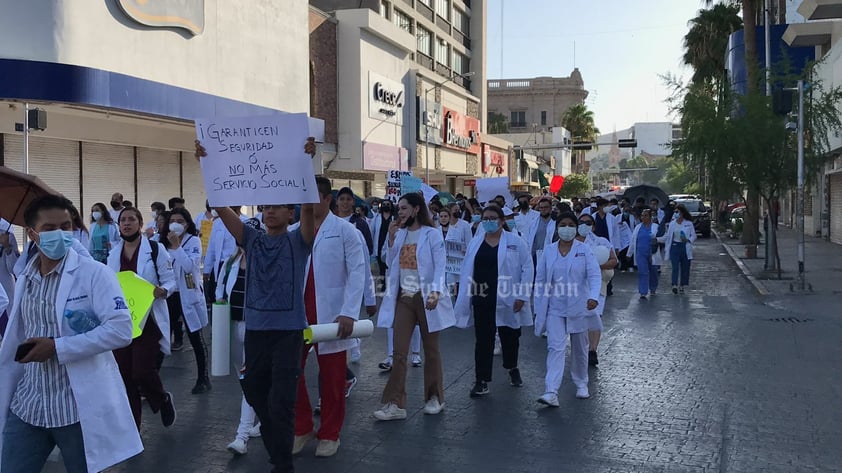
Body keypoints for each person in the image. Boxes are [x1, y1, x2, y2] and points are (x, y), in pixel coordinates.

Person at [196, 138, 316, 473]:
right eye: (265, 207)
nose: (269, 211)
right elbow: (221, 208)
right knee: (253, 388)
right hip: (257, 332)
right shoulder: (251, 238)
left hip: (289, 332)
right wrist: (207, 164)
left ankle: (282, 463)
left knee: (282, 401)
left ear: (289, 213)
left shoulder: (298, 240)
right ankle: (277, 443)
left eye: (277, 207)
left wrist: (307, 162)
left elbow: (309, 208)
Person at [0, 195, 143, 473]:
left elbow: (121, 330)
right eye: (49, 229)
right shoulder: (26, 277)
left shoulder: (94, 274)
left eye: (66, 226)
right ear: (31, 233)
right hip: (29, 403)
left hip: (75, 408)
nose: (60, 235)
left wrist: (58, 347)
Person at [292, 177, 365, 458]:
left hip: (332, 315)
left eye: (312, 198)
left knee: (333, 379)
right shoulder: (294, 230)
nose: (306, 205)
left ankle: (330, 433)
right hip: (297, 314)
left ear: (325, 199)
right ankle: (302, 427)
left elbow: (358, 271)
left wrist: (349, 311)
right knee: (290, 371)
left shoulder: (345, 231)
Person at [373, 193, 455, 421]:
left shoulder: (431, 234)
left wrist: (436, 292)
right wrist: (390, 241)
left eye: (404, 208)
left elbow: (441, 266)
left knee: (431, 351)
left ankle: (434, 397)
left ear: (417, 209)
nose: (400, 212)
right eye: (399, 208)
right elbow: (390, 263)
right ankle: (395, 403)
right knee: (399, 352)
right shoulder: (399, 235)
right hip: (404, 298)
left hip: (427, 298)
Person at [107, 207, 178, 429]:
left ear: (139, 223)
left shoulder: (155, 250)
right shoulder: (113, 255)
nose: (126, 223)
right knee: (124, 375)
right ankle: (133, 429)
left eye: (131, 219)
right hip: (122, 322)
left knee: (141, 371)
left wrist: (163, 290)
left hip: (148, 322)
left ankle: (162, 399)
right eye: (123, 220)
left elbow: (171, 280)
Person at [454, 205, 533, 396]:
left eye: (493, 218)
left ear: (502, 220)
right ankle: (481, 380)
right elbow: (466, 268)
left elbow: (528, 268)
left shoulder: (515, 242)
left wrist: (522, 295)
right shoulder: (476, 242)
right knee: (483, 340)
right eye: (485, 218)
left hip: (508, 296)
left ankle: (512, 367)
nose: (489, 222)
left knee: (510, 336)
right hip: (482, 297)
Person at [533, 212, 601, 407]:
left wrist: (593, 297)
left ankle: (581, 383)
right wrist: (539, 305)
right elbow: (541, 279)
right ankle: (551, 391)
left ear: (576, 227)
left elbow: (595, 275)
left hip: (579, 306)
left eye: (571, 224)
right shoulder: (548, 250)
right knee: (555, 347)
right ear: (557, 228)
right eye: (563, 224)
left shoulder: (584, 249)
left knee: (580, 348)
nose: (567, 228)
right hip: (554, 307)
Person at [216, 220, 262, 456]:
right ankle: (262, 417)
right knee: (246, 381)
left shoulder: (265, 261)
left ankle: (241, 436)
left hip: (256, 330)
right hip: (233, 327)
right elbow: (219, 293)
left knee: (248, 381)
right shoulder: (230, 262)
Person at [162, 208, 211, 392]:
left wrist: (177, 247)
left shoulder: (193, 241)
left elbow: (190, 266)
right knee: (162, 335)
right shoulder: (161, 243)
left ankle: (203, 378)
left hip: (188, 295)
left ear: (187, 224)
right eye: (172, 220)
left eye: (180, 221)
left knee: (195, 336)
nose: (176, 224)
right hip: (169, 294)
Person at [575, 213, 618, 367]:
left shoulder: (601, 242)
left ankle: (592, 350)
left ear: (593, 226)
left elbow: (614, 260)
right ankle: (581, 349)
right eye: (581, 222)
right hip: (576, 287)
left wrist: (597, 266)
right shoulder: (570, 243)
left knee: (595, 315)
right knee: (580, 318)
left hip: (597, 285)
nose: (584, 225)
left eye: (588, 222)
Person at [661, 204, 697, 294]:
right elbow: (668, 236)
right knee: (675, 267)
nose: (675, 214)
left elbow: (694, 235)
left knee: (685, 267)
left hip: (685, 246)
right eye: (675, 212)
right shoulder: (672, 224)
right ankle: (674, 284)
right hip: (674, 247)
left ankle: (682, 285)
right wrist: (658, 239)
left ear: (682, 213)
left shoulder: (688, 224)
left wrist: (688, 240)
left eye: (677, 212)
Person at [628, 209, 663, 299]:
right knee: (642, 272)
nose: (643, 217)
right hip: (640, 253)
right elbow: (633, 241)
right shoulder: (638, 227)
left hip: (652, 253)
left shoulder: (656, 227)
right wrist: (629, 253)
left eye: (646, 215)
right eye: (642, 215)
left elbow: (664, 237)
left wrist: (657, 240)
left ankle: (653, 288)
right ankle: (643, 292)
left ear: (650, 217)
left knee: (653, 271)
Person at [335, 187, 373, 254]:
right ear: (337, 202)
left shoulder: (361, 224)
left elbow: (369, 248)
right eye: (342, 199)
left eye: (348, 199)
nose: (345, 202)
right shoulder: (331, 223)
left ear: (353, 202)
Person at [524, 197, 556, 268]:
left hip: (551, 254)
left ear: (550, 208)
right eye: (541, 207)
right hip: (536, 255)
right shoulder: (534, 223)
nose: (543, 209)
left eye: (546, 207)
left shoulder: (555, 222)